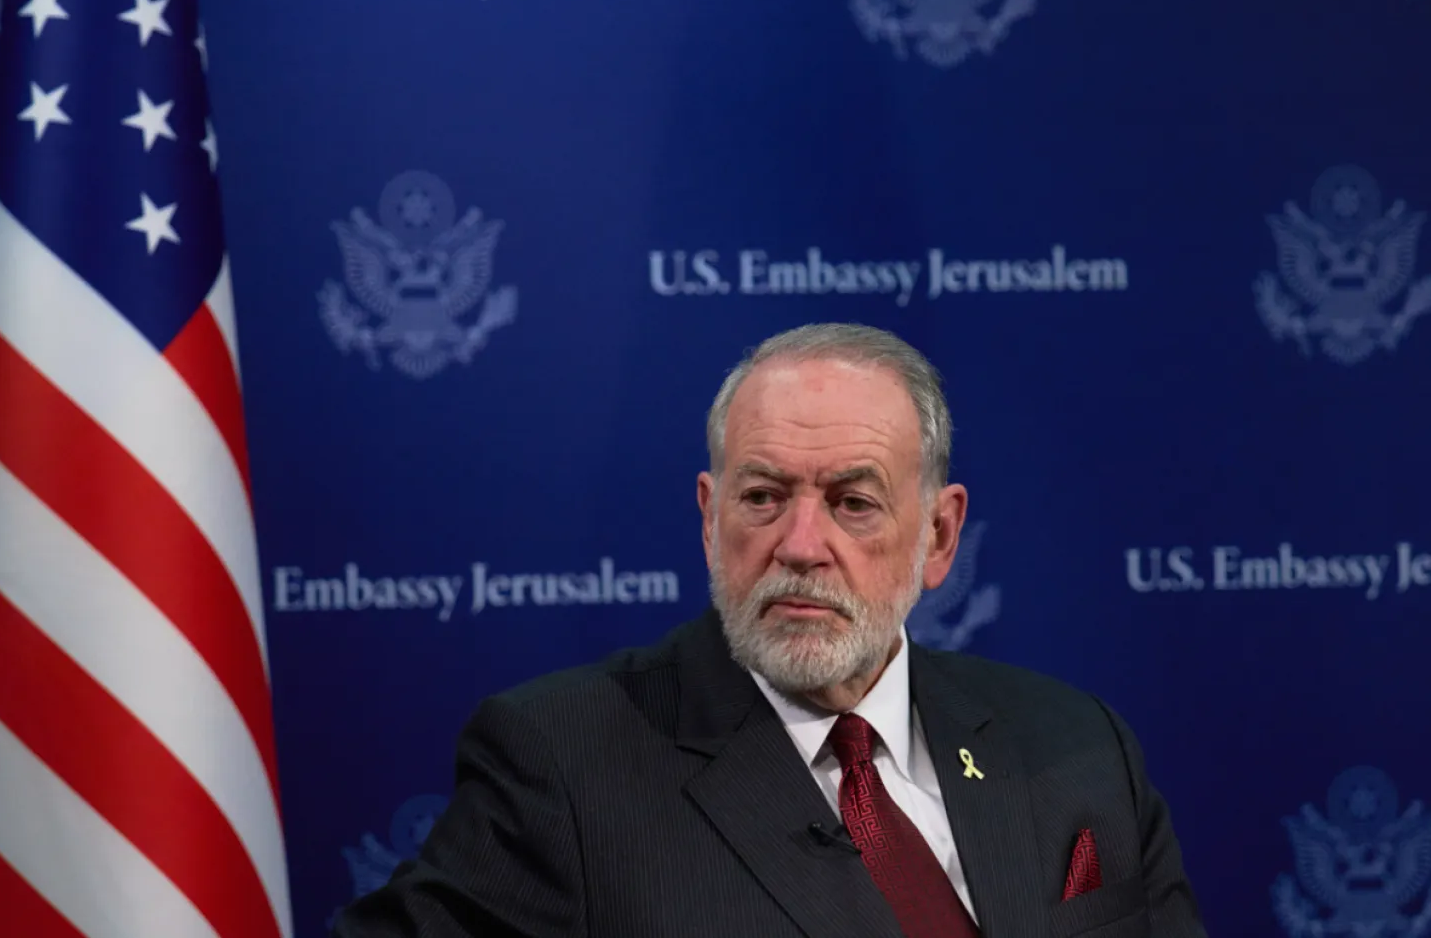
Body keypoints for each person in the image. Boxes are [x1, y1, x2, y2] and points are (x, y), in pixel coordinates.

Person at [333, 323, 1208, 937]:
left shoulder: (1077, 745)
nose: (800, 544)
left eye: (852, 502)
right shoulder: (562, 765)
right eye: (762, 496)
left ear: (940, 536)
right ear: (710, 518)